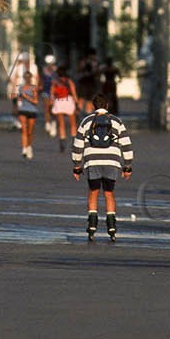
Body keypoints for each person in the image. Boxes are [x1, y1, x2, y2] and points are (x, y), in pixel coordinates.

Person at [72, 92, 134, 243]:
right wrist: (128, 166)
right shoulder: (117, 121)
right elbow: (126, 144)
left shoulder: (86, 121)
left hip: (92, 161)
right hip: (112, 161)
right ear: (107, 105)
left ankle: (92, 226)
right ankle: (112, 227)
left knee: (93, 192)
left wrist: (77, 165)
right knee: (109, 193)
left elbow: (78, 145)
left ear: (93, 106)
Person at [49, 64, 78, 151]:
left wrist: (51, 104)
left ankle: (62, 140)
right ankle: (74, 141)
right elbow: (74, 93)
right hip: (68, 101)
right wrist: (76, 104)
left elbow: (51, 94)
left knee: (61, 124)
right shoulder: (69, 81)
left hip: (59, 102)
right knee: (73, 123)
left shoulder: (55, 83)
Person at [17, 66, 41, 160]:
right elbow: (19, 99)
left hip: (32, 110)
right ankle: (24, 149)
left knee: (30, 131)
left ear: (30, 78)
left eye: (28, 77)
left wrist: (26, 97)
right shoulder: (20, 88)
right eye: (25, 77)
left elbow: (36, 101)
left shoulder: (34, 88)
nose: (27, 79)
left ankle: (29, 147)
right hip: (22, 109)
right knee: (23, 130)